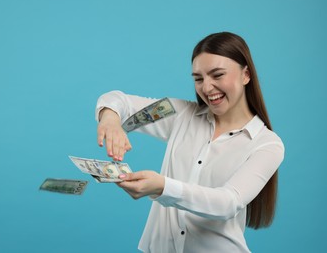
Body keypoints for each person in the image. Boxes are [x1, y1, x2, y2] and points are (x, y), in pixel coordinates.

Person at [95, 32, 285, 253]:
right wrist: (110, 120)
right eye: (198, 78)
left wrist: (163, 186)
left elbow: (228, 202)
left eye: (218, 75)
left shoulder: (267, 145)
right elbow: (119, 101)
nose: (206, 87)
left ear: (246, 75)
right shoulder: (179, 114)